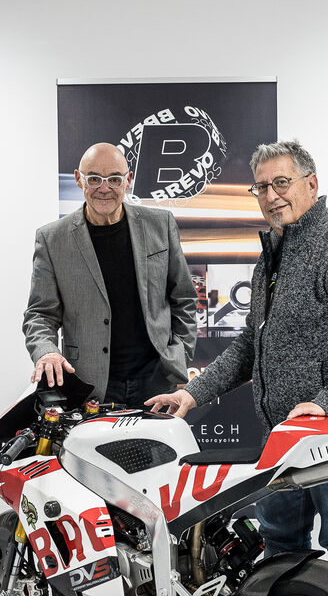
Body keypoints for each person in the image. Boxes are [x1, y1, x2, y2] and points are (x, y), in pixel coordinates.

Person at [146, 140, 328, 594]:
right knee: (281, 539)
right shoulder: (274, 252)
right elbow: (252, 344)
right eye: (261, 187)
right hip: (283, 436)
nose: (270, 196)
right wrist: (192, 393)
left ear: (311, 184)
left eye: (281, 183)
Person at [23, 142, 197, 407]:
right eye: (94, 179)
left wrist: (180, 357)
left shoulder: (161, 224)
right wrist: (46, 352)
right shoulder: (52, 239)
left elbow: (183, 298)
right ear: (79, 179)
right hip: (88, 385)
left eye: (114, 179)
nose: (104, 188)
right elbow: (40, 315)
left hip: (157, 381)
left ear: (128, 180)